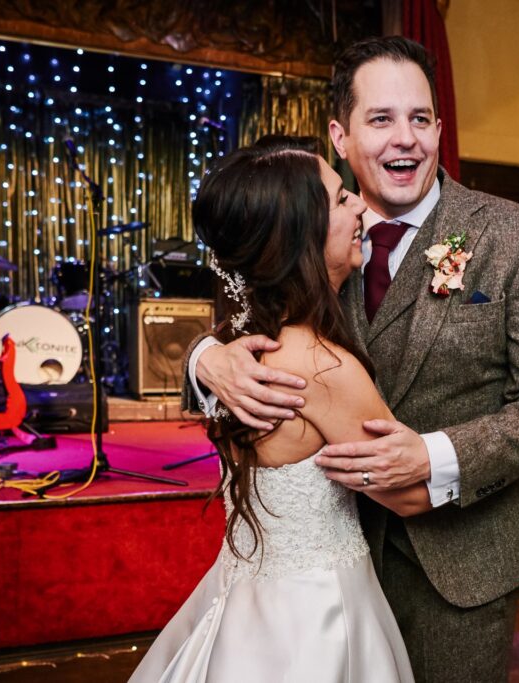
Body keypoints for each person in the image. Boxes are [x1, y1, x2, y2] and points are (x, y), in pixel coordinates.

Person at [183, 37, 519, 682]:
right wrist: (204, 361)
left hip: (462, 564)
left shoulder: (509, 234)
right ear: (340, 137)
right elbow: (243, 321)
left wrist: (438, 456)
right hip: (331, 567)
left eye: (420, 119)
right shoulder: (306, 228)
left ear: (439, 128)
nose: (406, 139)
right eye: (382, 119)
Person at [131, 137, 421, 681]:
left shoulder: (242, 346)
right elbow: (409, 493)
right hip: (316, 614)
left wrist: (202, 355)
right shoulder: (321, 365)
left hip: (246, 596)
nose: (360, 204)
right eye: (340, 199)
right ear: (300, 236)